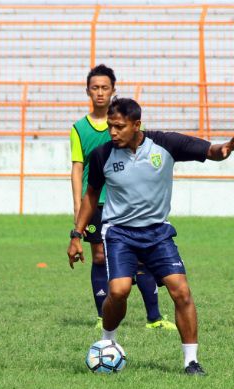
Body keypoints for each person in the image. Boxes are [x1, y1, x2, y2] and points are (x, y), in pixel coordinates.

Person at [67, 97, 234, 375]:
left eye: (119, 127)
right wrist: (76, 234)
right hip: (120, 234)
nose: (112, 133)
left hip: (157, 233)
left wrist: (226, 149)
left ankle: (191, 362)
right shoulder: (103, 154)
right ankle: (108, 342)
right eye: (110, 127)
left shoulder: (164, 144)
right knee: (119, 291)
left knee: (181, 291)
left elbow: (210, 150)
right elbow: (90, 196)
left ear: (137, 124)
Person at [70, 64, 175, 330]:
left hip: (127, 202)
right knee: (98, 257)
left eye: (105, 88)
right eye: (95, 88)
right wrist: (77, 204)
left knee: (141, 256)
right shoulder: (79, 128)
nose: (100, 93)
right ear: (87, 91)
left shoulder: (126, 123)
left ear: (113, 90)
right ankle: (102, 315)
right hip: (96, 200)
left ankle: (154, 317)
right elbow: (77, 167)